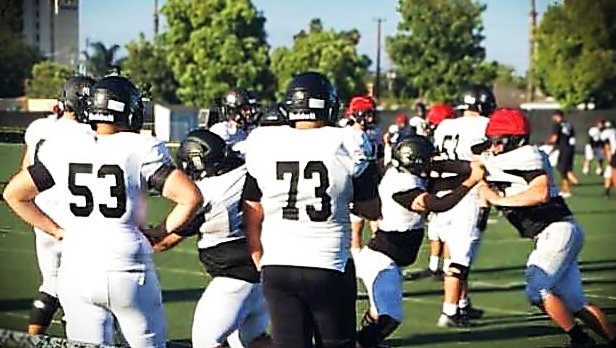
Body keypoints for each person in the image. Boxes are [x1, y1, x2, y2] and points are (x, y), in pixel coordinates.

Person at [3, 75, 203, 347]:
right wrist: (159, 232)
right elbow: (190, 197)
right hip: (128, 267)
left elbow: (14, 194)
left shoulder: (64, 145)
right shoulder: (141, 147)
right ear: (128, 110)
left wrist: (57, 231)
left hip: (76, 266)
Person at [242, 71, 381, 348]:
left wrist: (256, 251)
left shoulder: (264, 141)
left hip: (278, 264)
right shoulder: (347, 140)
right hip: (327, 264)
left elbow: (252, 207)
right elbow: (371, 209)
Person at [478, 108, 616, 348]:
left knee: (537, 289)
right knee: (575, 302)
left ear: (515, 140)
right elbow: (475, 166)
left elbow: (540, 192)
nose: (494, 147)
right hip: (558, 231)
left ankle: (580, 340)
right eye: (492, 142)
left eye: (499, 142)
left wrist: (497, 199)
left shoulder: (527, 155)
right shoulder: (500, 159)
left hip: (556, 230)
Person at [355, 136, 485, 348]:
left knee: (378, 312)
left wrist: (472, 170)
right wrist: (471, 181)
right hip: (382, 257)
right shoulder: (401, 184)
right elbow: (438, 203)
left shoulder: (405, 174)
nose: (431, 163)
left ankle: (364, 341)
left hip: (388, 256)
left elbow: (444, 182)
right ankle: (361, 343)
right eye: (426, 159)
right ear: (414, 161)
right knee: (391, 316)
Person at [151, 129, 271, 348]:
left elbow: (165, 241)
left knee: (206, 342)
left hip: (233, 277)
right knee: (251, 339)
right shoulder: (247, 170)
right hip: (262, 269)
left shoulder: (208, 192)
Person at [18, 75, 95, 335]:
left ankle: (32, 338)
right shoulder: (91, 136)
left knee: (51, 283)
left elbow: (25, 171)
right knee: (85, 289)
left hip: (41, 212)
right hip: (77, 215)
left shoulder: (39, 128)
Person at [430, 84, 496, 327]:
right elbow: (487, 160)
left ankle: (461, 303)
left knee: (454, 250)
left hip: (443, 192)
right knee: (461, 257)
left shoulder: (446, 125)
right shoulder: (485, 125)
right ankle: (449, 311)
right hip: (468, 192)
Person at [411, 103, 457, 280]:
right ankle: (434, 265)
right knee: (436, 231)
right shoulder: (438, 138)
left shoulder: (446, 136)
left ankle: (446, 267)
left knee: (447, 232)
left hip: (448, 186)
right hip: (438, 185)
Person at [343, 96, 381, 260]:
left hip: (368, 180)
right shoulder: (349, 135)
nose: (371, 118)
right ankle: (357, 261)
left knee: (376, 222)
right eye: (367, 114)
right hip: (357, 182)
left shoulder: (362, 134)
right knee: (356, 226)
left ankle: (375, 256)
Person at [548, 110, 578, 197]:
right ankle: (569, 183)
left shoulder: (557, 125)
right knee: (566, 168)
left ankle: (567, 190)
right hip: (570, 149)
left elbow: (554, 138)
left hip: (563, 149)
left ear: (557, 116)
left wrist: (547, 143)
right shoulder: (568, 125)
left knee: (562, 168)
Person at [600, 120, 616, 198]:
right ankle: (607, 192)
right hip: (613, 155)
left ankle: (607, 191)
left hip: (614, 155)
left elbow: (607, 146)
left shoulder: (607, 133)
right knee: (608, 173)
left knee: (613, 173)